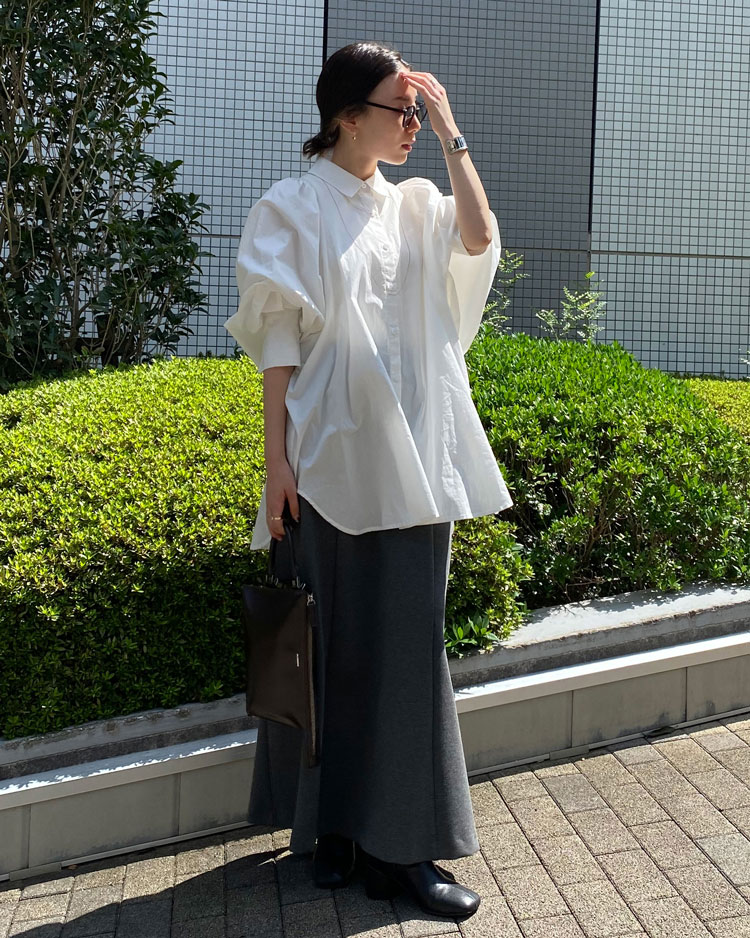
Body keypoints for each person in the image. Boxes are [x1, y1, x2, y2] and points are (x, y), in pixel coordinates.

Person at [224, 40, 512, 920]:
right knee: (329, 656)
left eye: (419, 111)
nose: (413, 123)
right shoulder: (290, 208)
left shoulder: (417, 204)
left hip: (417, 463)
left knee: (409, 659)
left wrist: (454, 131)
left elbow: (479, 238)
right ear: (348, 117)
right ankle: (334, 834)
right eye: (402, 109)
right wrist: (275, 463)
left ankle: (403, 850)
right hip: (328, 465)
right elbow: (278, 347)